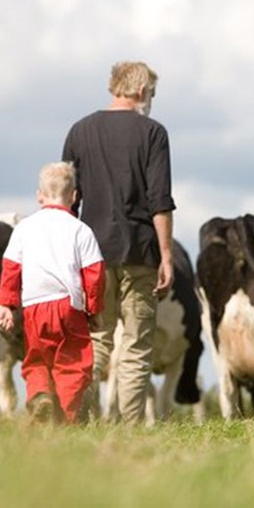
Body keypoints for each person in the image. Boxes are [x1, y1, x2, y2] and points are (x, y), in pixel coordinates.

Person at [61, 61, 175, 425]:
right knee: (137, 345)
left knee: (96, 340)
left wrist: (68, 256)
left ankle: (80, 419)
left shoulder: (79, 131)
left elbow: (67, 202)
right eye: (152, 93)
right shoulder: (153, 133)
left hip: (91, 253)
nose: (151, 100)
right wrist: (167, 256)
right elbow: (159, 201)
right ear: (141, 91)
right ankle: (130, 428)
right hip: (140, 252)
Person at [0, 161, 105, 425]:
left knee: (36, 359)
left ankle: (40, 395)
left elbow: (11, 268)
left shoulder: (24, 228)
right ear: (74, 196)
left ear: (40, 195)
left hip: (34, 306)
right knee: (73, 364)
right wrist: (94, 309)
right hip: (68, 307)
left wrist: (5, 304)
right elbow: (95, 273)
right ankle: (64, 419)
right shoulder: (81, 230)